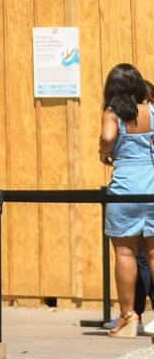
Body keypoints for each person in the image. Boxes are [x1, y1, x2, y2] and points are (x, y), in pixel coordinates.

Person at [98, 62, 154, 337]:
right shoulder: (151, 111)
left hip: (126, 189)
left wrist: (104, 151)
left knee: (125, 252)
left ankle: (128, 315)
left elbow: (108, 136)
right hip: (152, 187)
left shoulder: (113, 113)